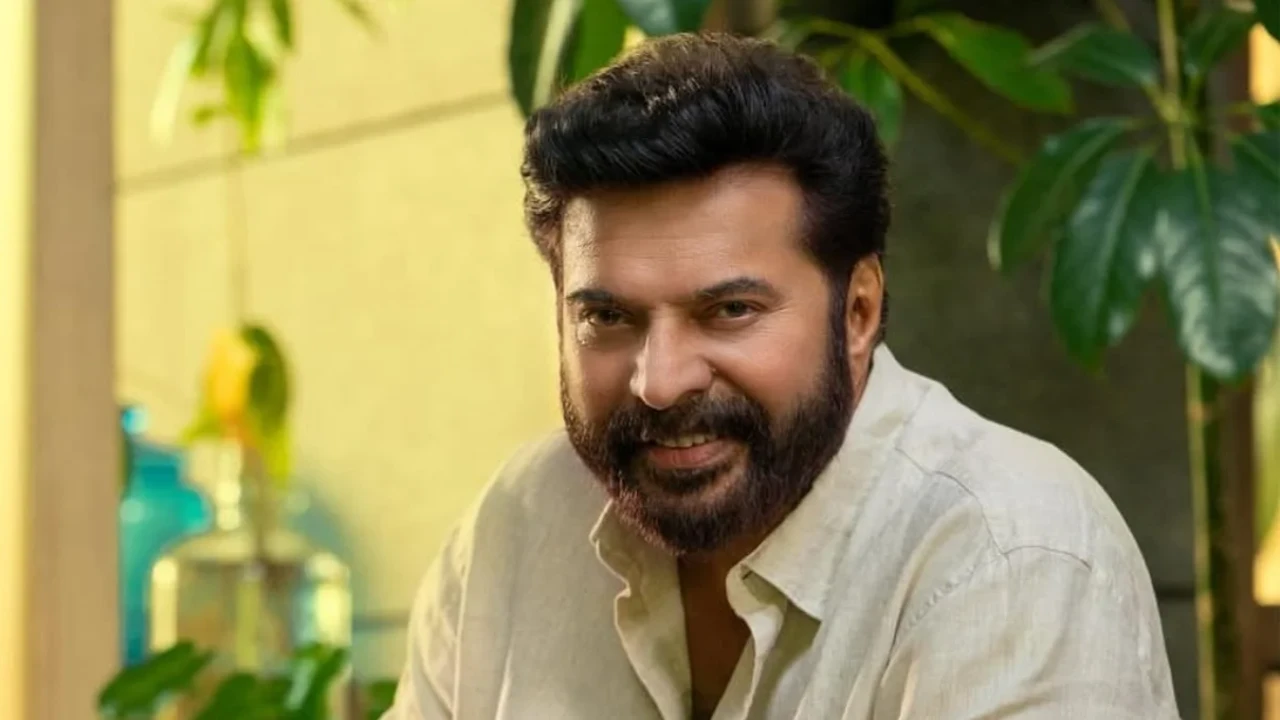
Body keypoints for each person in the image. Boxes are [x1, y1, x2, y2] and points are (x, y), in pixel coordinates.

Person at [382, 32, 1178, 720]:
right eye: (607, 317)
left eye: (729, 310)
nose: (660, 382)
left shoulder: (1013, 557)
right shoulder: (517, 528)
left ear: (858, 311)